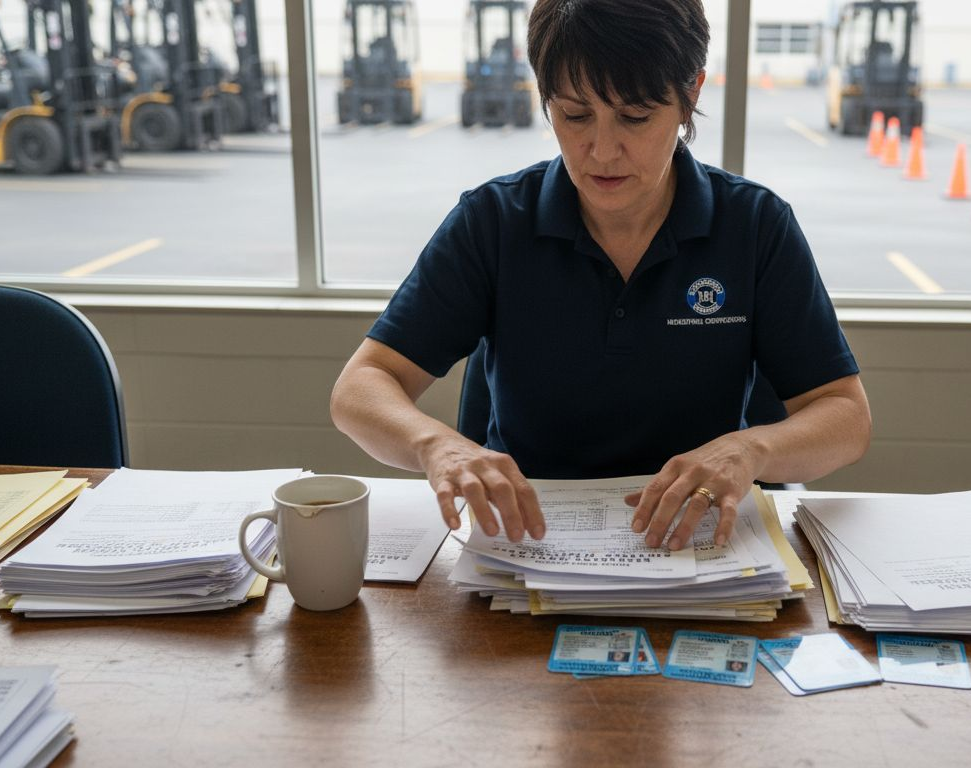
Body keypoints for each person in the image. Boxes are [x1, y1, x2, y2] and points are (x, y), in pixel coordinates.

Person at [331, 0, 870, 553]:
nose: (602, 151)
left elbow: (846, 416)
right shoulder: (494, 222)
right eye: (575, 115)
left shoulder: (754, 226)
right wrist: (435, 447)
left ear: (691, 95)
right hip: (530, 546)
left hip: (698, 544)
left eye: (635, 118)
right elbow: (361, 385)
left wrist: (753, 450)